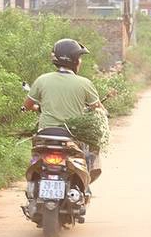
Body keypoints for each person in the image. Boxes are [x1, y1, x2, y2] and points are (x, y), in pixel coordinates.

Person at [22, 38, 107, 181]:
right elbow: (99, 109)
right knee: (91, 149)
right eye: (79, 58)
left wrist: (38, 108)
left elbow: (27, 105)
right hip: (71, 136)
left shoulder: (42, 80)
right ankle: (84, 185)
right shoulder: (85, 83)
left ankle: (34, 185)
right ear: (75, 61)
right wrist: (103, 113)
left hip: (45, 134)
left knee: (36, 156)